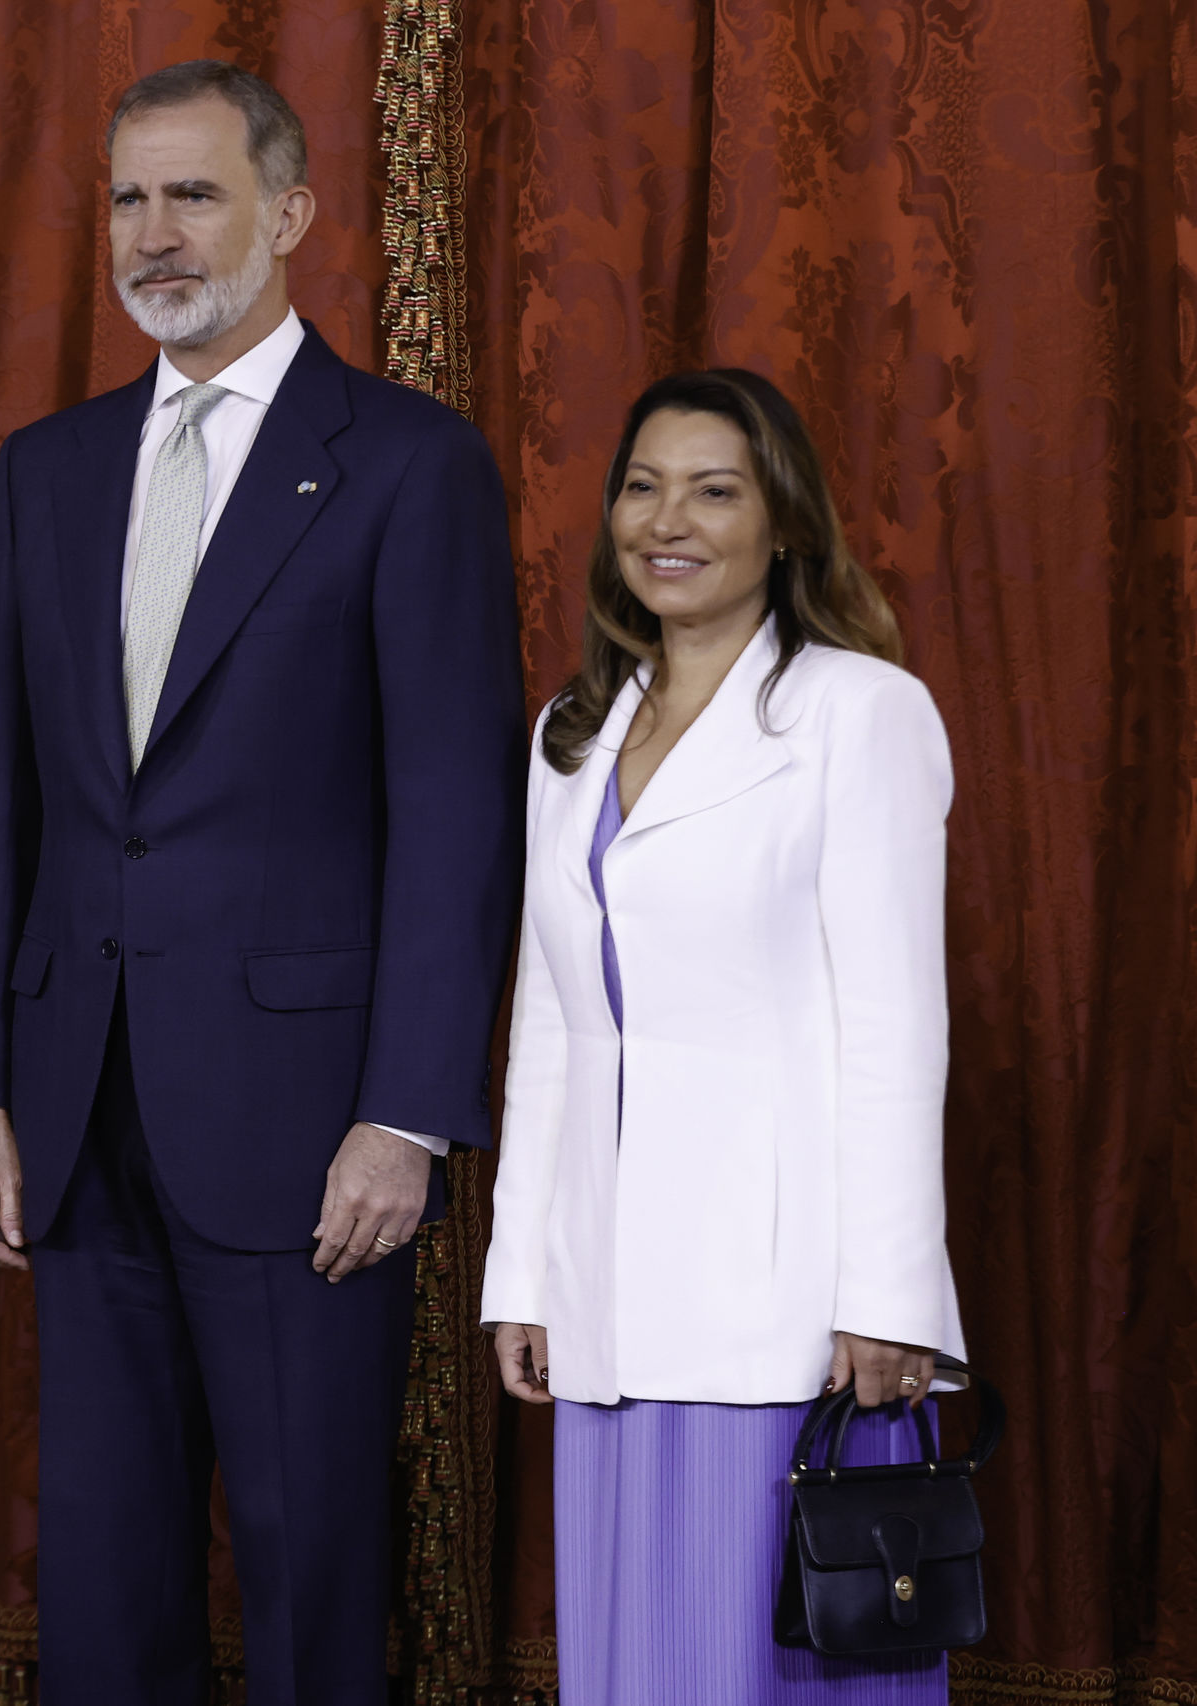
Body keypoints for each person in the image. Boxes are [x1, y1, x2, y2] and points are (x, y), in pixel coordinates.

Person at [0, 61, 525, 1706]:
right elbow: (3, 803)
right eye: (129, 197)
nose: (155, 232)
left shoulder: (408, 463)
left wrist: (407, 1115)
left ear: (291, 214)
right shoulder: (46, 470)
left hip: (307, 1124)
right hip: (76, 1111)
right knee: (105, 1583)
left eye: (193, 193)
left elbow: (456, 816)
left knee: (310, 1571)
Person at [479, 368, 968, 1704]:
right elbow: (553, 1025)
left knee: (760, 1666)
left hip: (787, 1307)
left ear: (785, 523)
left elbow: (897, 1026)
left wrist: (889, 1297)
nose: (667, 520)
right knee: (634, 1665)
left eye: (714, 489)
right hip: (608, 1306)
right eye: (643, 486)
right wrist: (525, 1269)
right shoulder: (571, 735)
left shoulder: (860, 713)